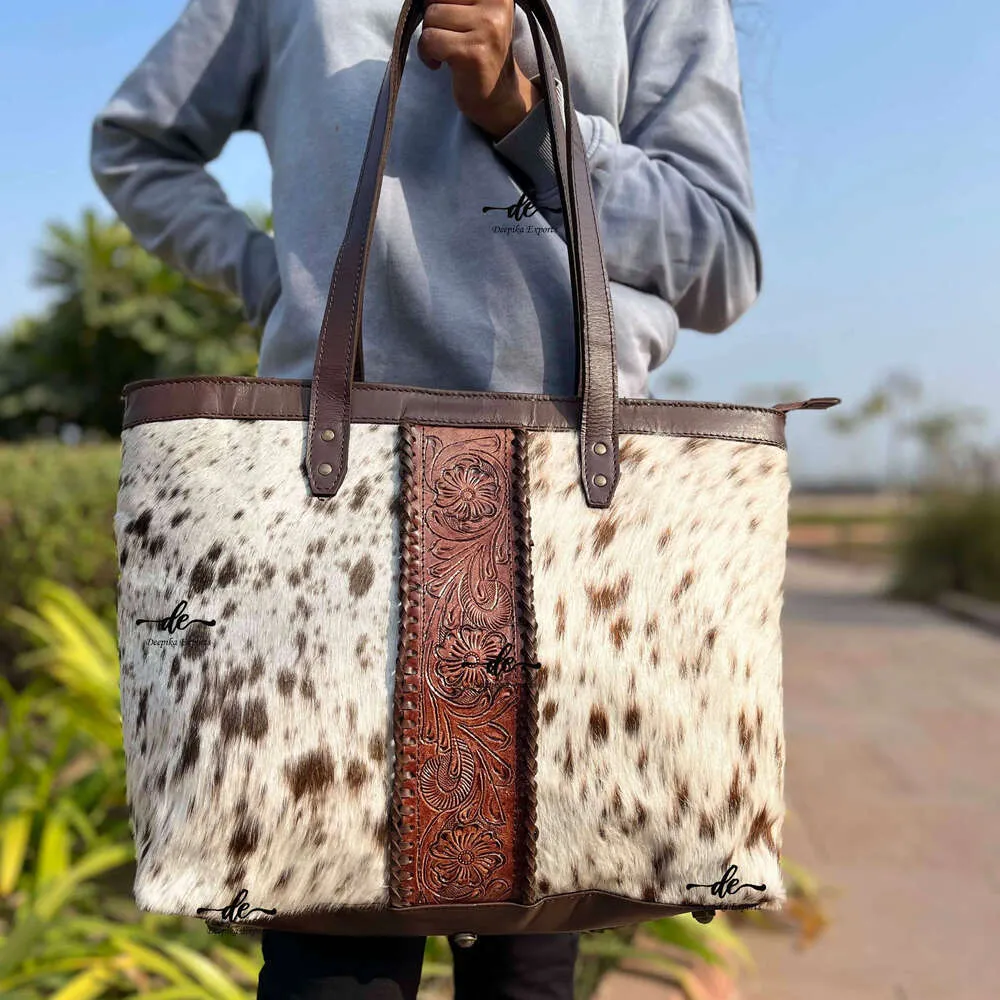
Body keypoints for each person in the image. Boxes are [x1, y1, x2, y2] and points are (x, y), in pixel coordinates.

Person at [90, 0, 760, 997]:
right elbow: (136, 144)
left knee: (535, 952)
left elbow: (721, 265)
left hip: (573, 530)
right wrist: (271, 278)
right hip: (330, 522)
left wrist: (527, 115)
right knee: (329, 960)